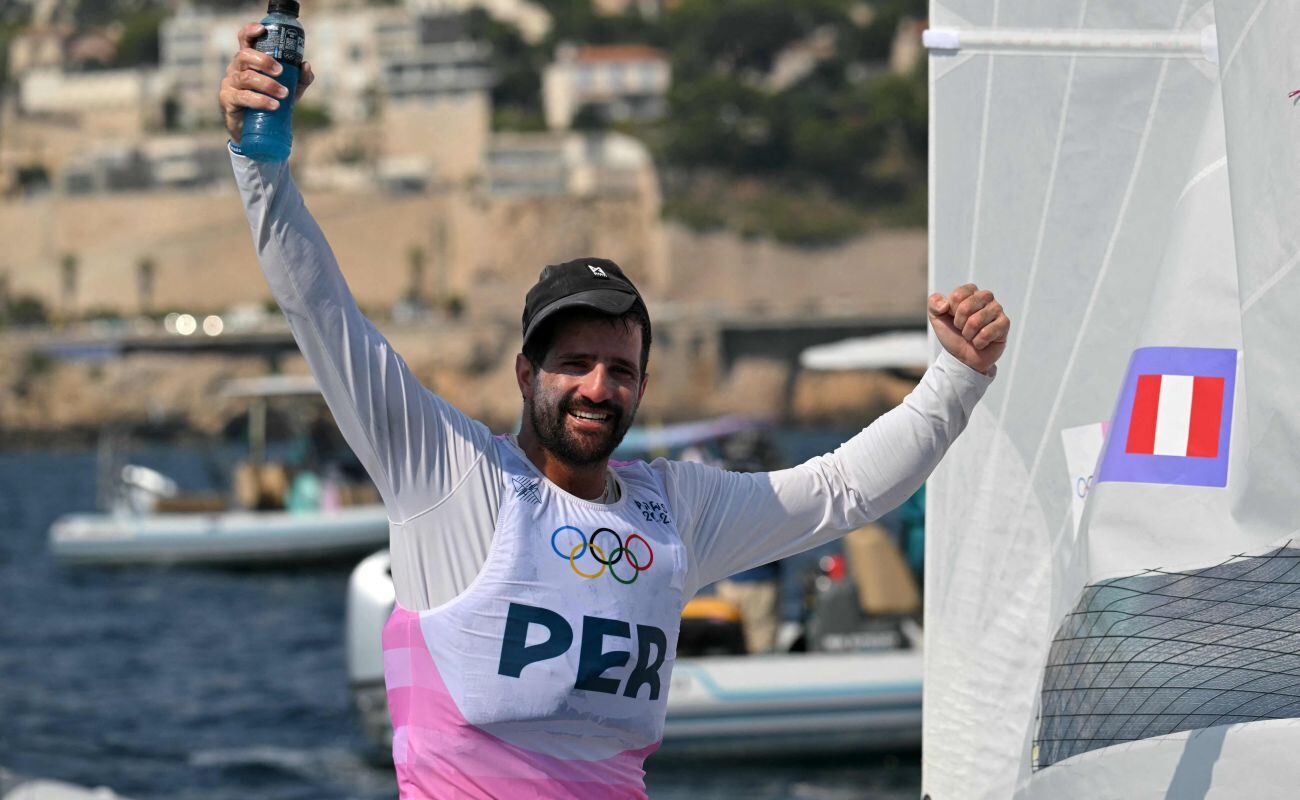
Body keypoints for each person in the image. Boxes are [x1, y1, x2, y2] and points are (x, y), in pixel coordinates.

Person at [220, 22, 1010, 800]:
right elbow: (323, 316)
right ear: (527, 372)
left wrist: (958, 376)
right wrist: (261, 168)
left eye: (621, 368)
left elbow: (843, 491)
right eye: (574, 364)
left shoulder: (675, 512)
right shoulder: (452, 478)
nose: (599, 386)